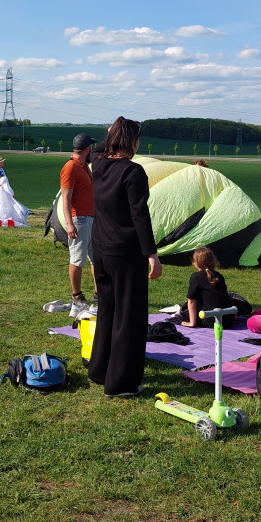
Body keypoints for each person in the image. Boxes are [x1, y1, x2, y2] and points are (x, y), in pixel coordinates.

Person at [88, 116, 162, 398]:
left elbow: (97, 149)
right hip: (126, 253)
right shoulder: (133, 171)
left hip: (101, 250)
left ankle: (99, 370)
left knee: (107, 310)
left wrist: (111, 133)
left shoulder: (98, 164)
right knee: (129, 316)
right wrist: (151, 254)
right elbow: (139, 215)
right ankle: (122, 384)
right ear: (132, 141)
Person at [61, 133, 97, 317]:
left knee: (96, 259)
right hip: (79, 220)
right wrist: (69, 223)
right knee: (77, 259)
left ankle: (98, 296)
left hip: (91, 219)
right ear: (87, 149)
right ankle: (77, 297)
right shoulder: (70, 168)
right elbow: (65, 199)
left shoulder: (83, 167)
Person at [180, 247, 235, 329]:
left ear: (196, 263)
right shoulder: (219, 276)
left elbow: (191, 301)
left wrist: (192, 323)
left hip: (210, 319)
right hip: (228, 320)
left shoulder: (195, 277)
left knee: (184, 312)